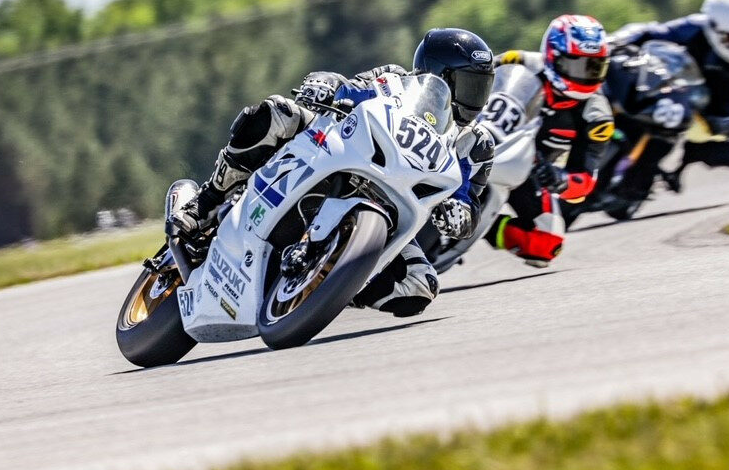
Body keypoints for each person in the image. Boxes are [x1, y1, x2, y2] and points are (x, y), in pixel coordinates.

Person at [168, 27, 497, 317]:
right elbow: (351, 88)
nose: (475, 99)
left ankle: (331, 286)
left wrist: (460, 214)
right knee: (276, 113)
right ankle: (205, 204)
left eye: (481, 88)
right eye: (468, 85)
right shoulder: (395, 81)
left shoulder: (476, 144)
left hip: (393, 208)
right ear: (439, 74)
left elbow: (470, 202)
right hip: (340, 152)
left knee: (419, 286)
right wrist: (326, 85)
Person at [609, 0, 729, 186]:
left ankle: (696, 152)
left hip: (720, 110)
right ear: (718, 32)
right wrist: (615, 41)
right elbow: (650, 31)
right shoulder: (697, 27)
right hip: (682, 90)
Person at [483, 14, 616, 267]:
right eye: (576, 65)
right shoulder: (517, 61)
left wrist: (561, 180)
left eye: (594, 67)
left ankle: (481, 227)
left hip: (529, 171)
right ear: (554, 56)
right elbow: (469, 79)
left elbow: (586, 180)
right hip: (479, 141)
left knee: (546, 246)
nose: (585, 75)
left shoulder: (598, 117)